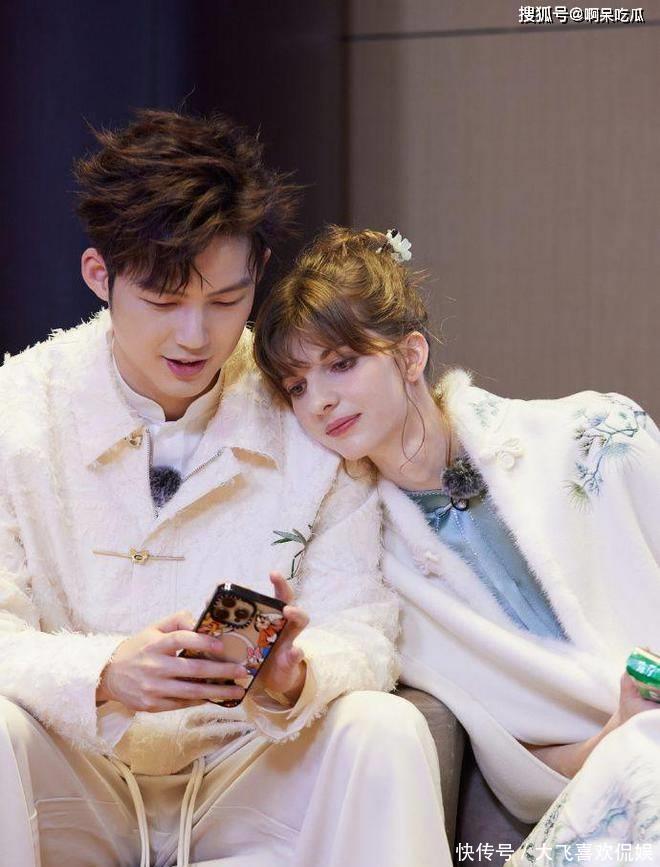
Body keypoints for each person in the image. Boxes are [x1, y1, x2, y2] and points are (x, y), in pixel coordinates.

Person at [0, 117, 449, 867]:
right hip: (76, 772)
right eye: (163, 300)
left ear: (259, 273)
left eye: (225, 300)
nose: (195, 335)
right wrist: (105, 673)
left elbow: (366, 628)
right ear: (99, 275)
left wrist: (294, 677)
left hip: (246, 772)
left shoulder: (304, 408)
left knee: (386, 728)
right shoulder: (17, 411)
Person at [253, 225, 660, 865]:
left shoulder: (597, 436)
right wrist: (620, 730)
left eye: (342, 363)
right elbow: (523, 773)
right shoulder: (380, 581)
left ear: (410, 356)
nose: (320, 401)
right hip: (608, 798)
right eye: (297, 386)